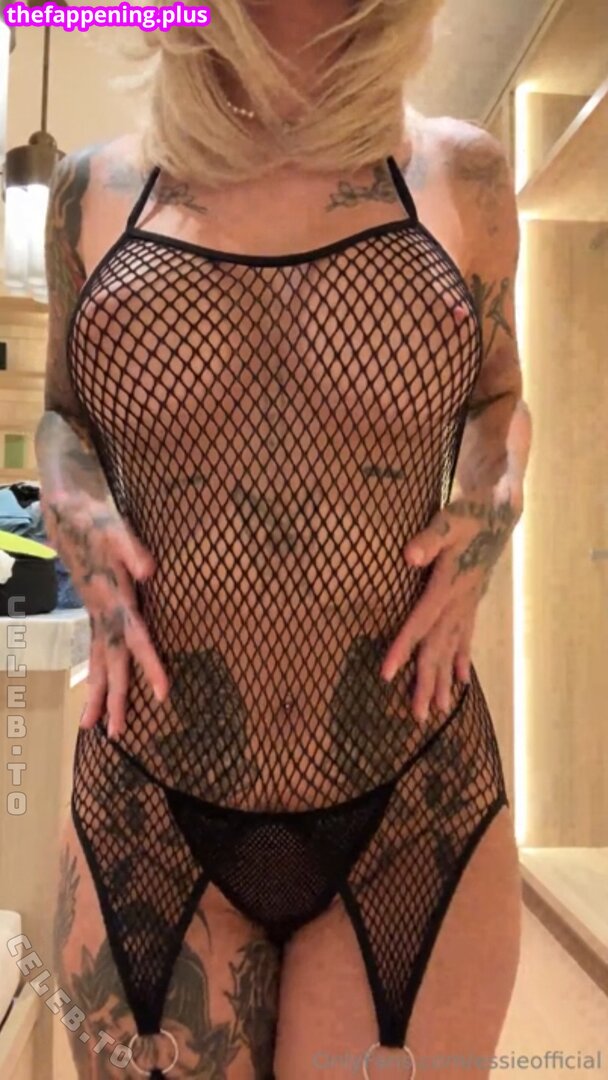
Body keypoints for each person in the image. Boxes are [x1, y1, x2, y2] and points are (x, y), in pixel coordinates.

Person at [36, 0, 532, 1076]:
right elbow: (62, 417)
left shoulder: (461, 176)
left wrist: (492, 506)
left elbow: (498, 398)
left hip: (411, 792)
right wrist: (72, 504)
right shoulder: (91, 191)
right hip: (148, 792)